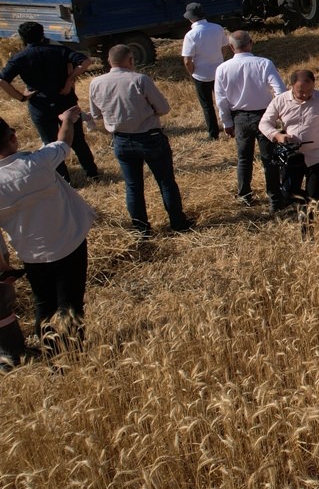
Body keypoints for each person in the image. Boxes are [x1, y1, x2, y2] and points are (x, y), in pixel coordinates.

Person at [0, 108, 96, 359]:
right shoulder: (37, 162)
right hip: (69, 243)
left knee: (44, 304)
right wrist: (66, 120)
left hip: (32, 254)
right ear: (13, 138)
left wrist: (3, 266)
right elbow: (63, 142)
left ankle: (54, 355)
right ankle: (74, 353)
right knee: (71, 303)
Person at [88, 44, 194, 237]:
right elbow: (163, 108)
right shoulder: (139, 80)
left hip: (121, 141)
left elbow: (96, 115)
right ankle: (178, 223)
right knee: (166, 182)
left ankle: (141, 228)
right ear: (130, 60)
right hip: (150, 139)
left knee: (133, 186)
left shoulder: (96, 83)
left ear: (109, 61)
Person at [0, 21, 100, 182]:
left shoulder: (19, 58)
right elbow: (86, 61)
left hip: (40, 106)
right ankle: (92, 173)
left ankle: (64, 179)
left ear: (22, 39)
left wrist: (21, 97)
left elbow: (2, 80)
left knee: (50, 143)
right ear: (43, 34)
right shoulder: (58, 50)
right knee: (78, 140)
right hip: (66, 102)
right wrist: (69, 80)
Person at [214, 31, 287, 208]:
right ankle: (275, 199)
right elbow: (280, 91)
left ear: (231, 47)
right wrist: (279, 114)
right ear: (251, 43)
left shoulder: (222, 68)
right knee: (269, 159)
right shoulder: (264, 63)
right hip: (264, 116)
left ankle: (245, 196)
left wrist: (227, 122)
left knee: (244, 159)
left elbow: (221, 99)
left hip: (239, 118)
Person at [259, 69, 319, 214]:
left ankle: (309, 220)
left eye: (310, 91)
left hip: (318, 154)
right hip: (292, 155)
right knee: (288, 191)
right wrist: (277, 136)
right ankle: (305, 205)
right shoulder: (280, 100)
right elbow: (264, 123)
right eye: (301, 92)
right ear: (291, 86)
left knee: (315, 193)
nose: (306, 95)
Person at [180, 2, 231, 141]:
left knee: (207, 105)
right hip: (219, 72)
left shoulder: (190, 35)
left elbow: (187, 60)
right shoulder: (218, 28)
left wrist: (192, 72)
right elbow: (225, 47)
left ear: (190, 18)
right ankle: (231, 126)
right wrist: (220, 60)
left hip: (201, 75)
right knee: (225, 101)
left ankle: (213, 134)